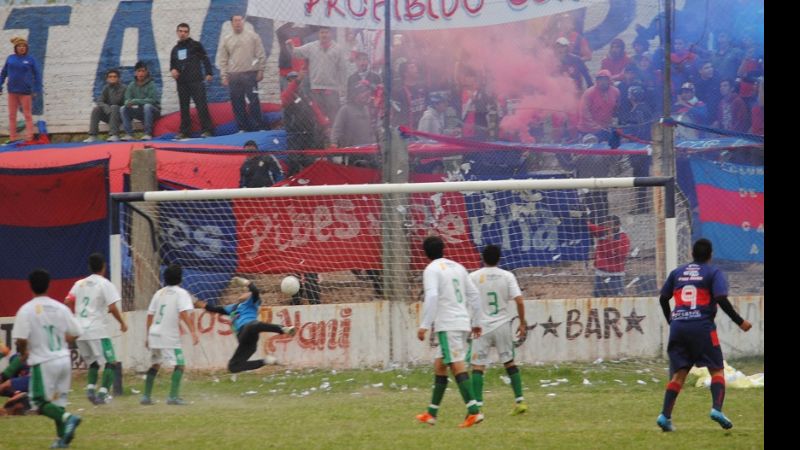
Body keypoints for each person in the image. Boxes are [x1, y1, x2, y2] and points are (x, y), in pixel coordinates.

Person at [656, 238, 753, 432]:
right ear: (710, 255)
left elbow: (663, 298)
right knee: (716, 370)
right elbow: (721, 299)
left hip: (679, 327)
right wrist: (740, 321)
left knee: (679, 374)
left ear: (692, 254)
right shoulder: (713, 272)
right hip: (702, 327)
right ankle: (716, 409)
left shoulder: (677, 272)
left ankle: (665, 416)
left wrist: (672, 320)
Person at [415, 235, 484, 428]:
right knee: (440, 365)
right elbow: (474, 295)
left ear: (425, 253)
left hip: (448, 324)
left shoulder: (431, 269)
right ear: (443, 249)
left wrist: (424, 324)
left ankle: (474, 411)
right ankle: (431, 413)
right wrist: (477, 321)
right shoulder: (458, 267)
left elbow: (432, 296)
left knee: (455, 365)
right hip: (462, 322)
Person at [12, 269, 82, 448]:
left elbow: (21, 339)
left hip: (43, 361)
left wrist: (23, 352)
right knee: (58, 401)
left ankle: (69, 418)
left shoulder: (26, 310)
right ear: (49, 285)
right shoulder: (60, 307)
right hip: (64, 359)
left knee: (38, 401)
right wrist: (63, 341)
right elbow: (76, 332)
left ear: (30, 286)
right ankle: (62, 440)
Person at [468, 244, 528, 416]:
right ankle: (520, 401)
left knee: (478, 366)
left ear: (482, 258)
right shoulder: (507, 276)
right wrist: (522, 323)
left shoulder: (473, 277)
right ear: (499, 258)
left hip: (481, 327)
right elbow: (519, 301)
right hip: (502, 325)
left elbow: (467, 301)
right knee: (509, 363)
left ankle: (478, 406)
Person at [194, 276, 296, 373]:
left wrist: (245, 282)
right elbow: (212, 308)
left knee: (253, 325)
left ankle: (283, 329)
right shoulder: (232, 308)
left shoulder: (251, 303)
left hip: (249, 329)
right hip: (244, 341)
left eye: (248, 293)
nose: (246, 293)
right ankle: (266, 361)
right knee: (233, 367)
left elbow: (255, 291)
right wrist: (195, 300)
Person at [64, 253, 128, 405]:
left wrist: (75, 317)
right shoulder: (105, 284)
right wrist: (122, 323)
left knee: (93, 363)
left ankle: (91, 391)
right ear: (104, 266)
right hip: (97, 330)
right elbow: (112, 307)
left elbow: (67, 301)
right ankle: (102, 395)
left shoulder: (79, 283)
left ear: (89, 267)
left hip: (80, 332)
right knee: (111, 362)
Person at [140, 264, 198, 406]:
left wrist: (147, 336)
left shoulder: (158, 293)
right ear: (180, 278)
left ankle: (146, 397)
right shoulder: (181, 293)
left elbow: (150, 315)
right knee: (180, 364)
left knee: (155, 364)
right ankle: (173, 397)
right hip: (169, 336)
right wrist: (193, 331)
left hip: (154, 333)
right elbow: (183, 313)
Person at [285, 25, 348, 124]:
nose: (324, 35)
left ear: (331, 34)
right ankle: (320, 134)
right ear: (318, 34)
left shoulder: (338, 49)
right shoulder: (311, 47)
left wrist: (343, 88)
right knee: (318, 119)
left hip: (332, 90)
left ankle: (333, 134)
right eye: (322, 32)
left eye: (326, 32)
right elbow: (296, 53)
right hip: (316, 90)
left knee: (334, 118)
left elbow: (342, 70)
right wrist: (290, 46)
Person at [217, 15, 267, 132]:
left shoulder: (253, 36)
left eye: (240, 20)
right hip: (234, 76)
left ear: (243, 22)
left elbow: (261, 54)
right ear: (232, 23)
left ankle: (258, 127)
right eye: (235, 21)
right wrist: (224, 76)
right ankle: (242, 128)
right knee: (237, 103)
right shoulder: (227, 39)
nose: (238, 23)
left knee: (254, 101)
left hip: (250, 74)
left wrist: (261, 70)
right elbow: (223, 59)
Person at [170, 23, 214, 140]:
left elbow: (205, 58)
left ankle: (207, 130)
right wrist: (173, 70)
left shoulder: (196, 45)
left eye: (185, 31)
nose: (183, 33)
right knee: (184, 108)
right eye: (180, 31)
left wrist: (209, 73)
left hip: (196, 81)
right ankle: (184, 132)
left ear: (188, 33)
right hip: (182, 83)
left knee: (201, 106)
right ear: (177, 32)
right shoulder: (175, 49)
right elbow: (172, 65)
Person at [0, 37, 41, 143]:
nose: (21, 48)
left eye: (23, 46)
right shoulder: (10, 58)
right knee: (12, 115)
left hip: (26, 92)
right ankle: (12, 137)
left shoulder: (30, 59)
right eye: (19, 46)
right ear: (16, 48)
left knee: (27, 115)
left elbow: (37, 75)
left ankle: (29, 137)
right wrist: (0, 85)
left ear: (26, 48)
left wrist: (36, 89)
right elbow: (3, 73)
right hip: (12, 91)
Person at [588, 215, 630, 297]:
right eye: (606, 224)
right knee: (598, 299)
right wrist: (584, 220)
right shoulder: (602, 232)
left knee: (617, 300)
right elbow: (592, 227)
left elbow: (622, 255)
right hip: (600, 273)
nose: (607, 227)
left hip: (615, 275)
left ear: (617, 225)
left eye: (609, 224)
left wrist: (612, 241)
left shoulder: (623, 237)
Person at [120, 61, 160, 141]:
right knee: (123, 108)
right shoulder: (132, 85)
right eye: (139, 71)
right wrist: (128, 103)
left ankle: (148, 134)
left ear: (146, 72)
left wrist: (136, 101)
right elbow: (127, 99)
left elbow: (153, 100)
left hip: (153, 111)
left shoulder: (151, 84)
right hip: (141, 111)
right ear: (135, 73)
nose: (141, 73)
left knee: (147, 106)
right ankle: (129, 134)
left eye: (143, 71)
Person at [83, 69, 126, 142]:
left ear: (118, 78)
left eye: (115, 77)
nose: (112, 78)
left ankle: (114, 135)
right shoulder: (106, 87)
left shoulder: (123, 88)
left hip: (120, 116)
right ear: (107, 79)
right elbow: (99, 101)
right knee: (96, 109)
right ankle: (93, 135)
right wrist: (106, 108)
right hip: (110, 114)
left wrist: (109, 108)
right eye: (110, 77)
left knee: (114, 107)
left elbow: (116, 101)